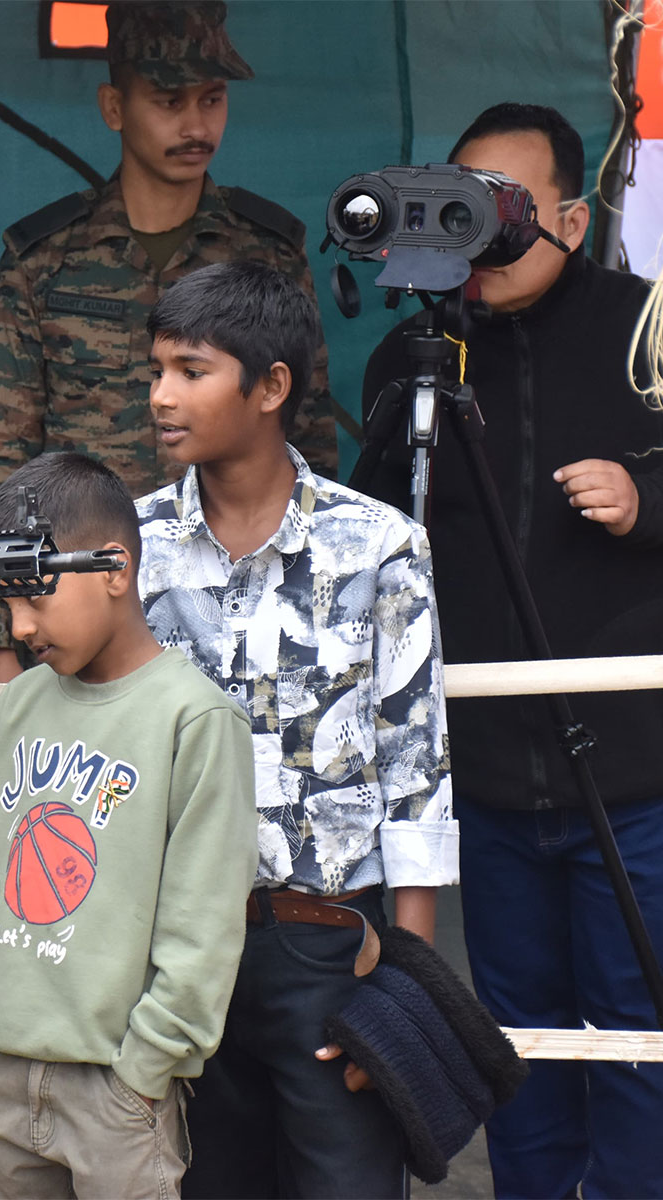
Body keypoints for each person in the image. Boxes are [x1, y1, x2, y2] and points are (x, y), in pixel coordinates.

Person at [361, 102, 663, 1199]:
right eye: (460, 206)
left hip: (631, 773)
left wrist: (647, 499)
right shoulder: (412, 355)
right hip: (481, 774)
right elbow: (373, 531)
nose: (477, 235)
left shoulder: (647, 329)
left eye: (505, 210)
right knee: (517, 1038)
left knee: (636, 1036)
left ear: (572, 221)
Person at [136, 261, 456, 1197]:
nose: (162, 395)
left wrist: (404, 984)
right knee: (205, 1182)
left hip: (331, 946)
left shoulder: (381, 546)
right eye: (155, 369)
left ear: (271, 386)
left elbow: (416, 765)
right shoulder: (130, 548)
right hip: (178, 948)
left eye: (191, 370)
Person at [0, 0, 340, 685]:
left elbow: (306, 442)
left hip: (240, 601)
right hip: (82, 610)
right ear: (114, 106)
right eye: (169, 100)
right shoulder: (44, 259)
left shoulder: (268, 252)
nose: (197, 125)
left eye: (213, 99)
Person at [0, 452, 255, 1199]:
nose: (19, 627)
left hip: (117, 1092)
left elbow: (205, 924)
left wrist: (144, 1071)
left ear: (115, 568)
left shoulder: (196, 720)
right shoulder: (20, 704)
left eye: (34, 598)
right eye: (6, 604)